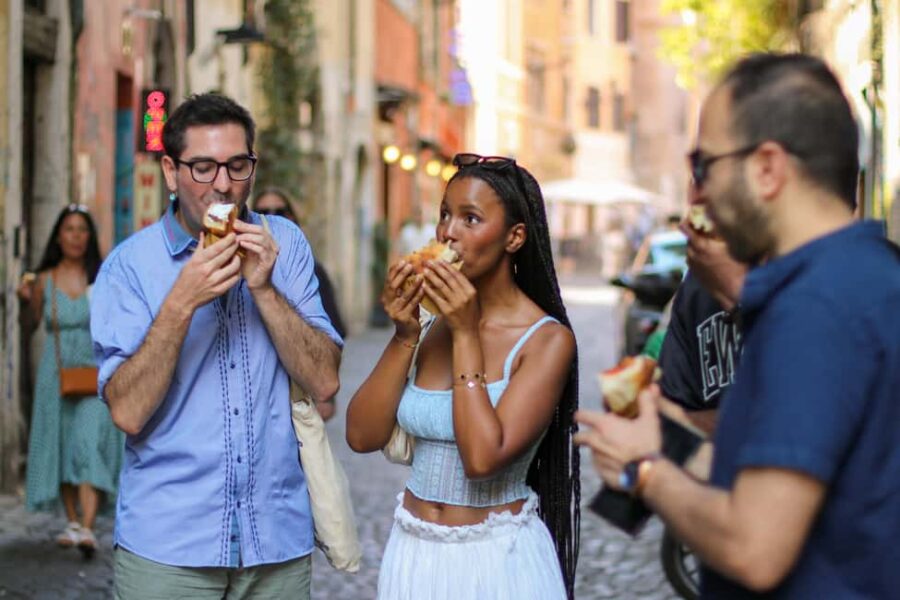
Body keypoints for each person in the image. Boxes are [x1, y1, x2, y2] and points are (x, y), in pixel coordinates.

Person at [575, 53, 900, 598]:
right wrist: (671, 440)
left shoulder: (815, 306)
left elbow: (754, 548)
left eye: (704, 166)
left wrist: (645, 470)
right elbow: (792, 488)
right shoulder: (869, 275)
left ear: (768, 168)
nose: (696, 195)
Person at [91, 93, 342, 600]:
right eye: (202, 168)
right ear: (170, 170)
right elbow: (128, 413)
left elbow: (325, 380)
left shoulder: (285, 245)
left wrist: (265, 290)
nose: (223, 185)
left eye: (237, 165)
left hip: (275, 545)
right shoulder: (129, 267)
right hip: (168, 551)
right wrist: (183, 300)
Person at [346, 153, 580, 599]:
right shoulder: (431, 328)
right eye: (445, 215)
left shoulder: (546, 341)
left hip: (496, 562)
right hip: (413, 556)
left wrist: (466, 332)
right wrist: (404, 335)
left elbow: (482, 459)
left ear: (514, 238)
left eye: (471, 219)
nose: (448, 232)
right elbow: (360, 435)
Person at [17, 204, 123, 557]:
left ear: (90, 236)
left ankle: (88, 527)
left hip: (94, 374)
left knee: (87, 441)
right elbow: (30, 327)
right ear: (58, 237)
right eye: (69, 229)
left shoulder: (102, 277)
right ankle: (74, 521)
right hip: (56, 373)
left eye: (82, 230)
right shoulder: (43, 279)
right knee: (60, 444)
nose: (76, 236)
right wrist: (24, 303)